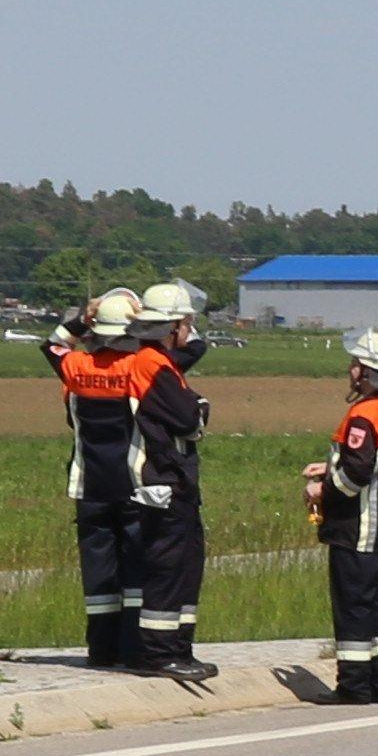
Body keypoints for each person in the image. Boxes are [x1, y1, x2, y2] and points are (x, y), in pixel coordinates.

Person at [47, 289, 161, 671]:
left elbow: (52, 345)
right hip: (131, 481)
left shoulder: (75, 367)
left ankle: (100, 649)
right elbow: (184, 357)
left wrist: (83, 318)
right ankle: (132, 648)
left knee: (98, 572)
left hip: (88, 484)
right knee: (135, 569)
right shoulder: (138, 368)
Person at [302, 329, 378, 704]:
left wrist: (321, 490)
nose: (350, 370)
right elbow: (370, 466)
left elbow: (357, 474)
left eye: (355, 364)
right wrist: (329, 466)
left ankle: (354, 687)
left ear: (366, 372)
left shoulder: (364, 414)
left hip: (355, 532)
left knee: (352, 611)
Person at [127, 282, 218, 687]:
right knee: (168, 566)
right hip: (162, 479)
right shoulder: (153, 365)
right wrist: (200, 409)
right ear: (174, 325)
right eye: (186, 323)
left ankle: (179, 648)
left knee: (187, 563)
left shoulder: (159, 361)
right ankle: (160, 654)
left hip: (173, 478)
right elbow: (188, 418)